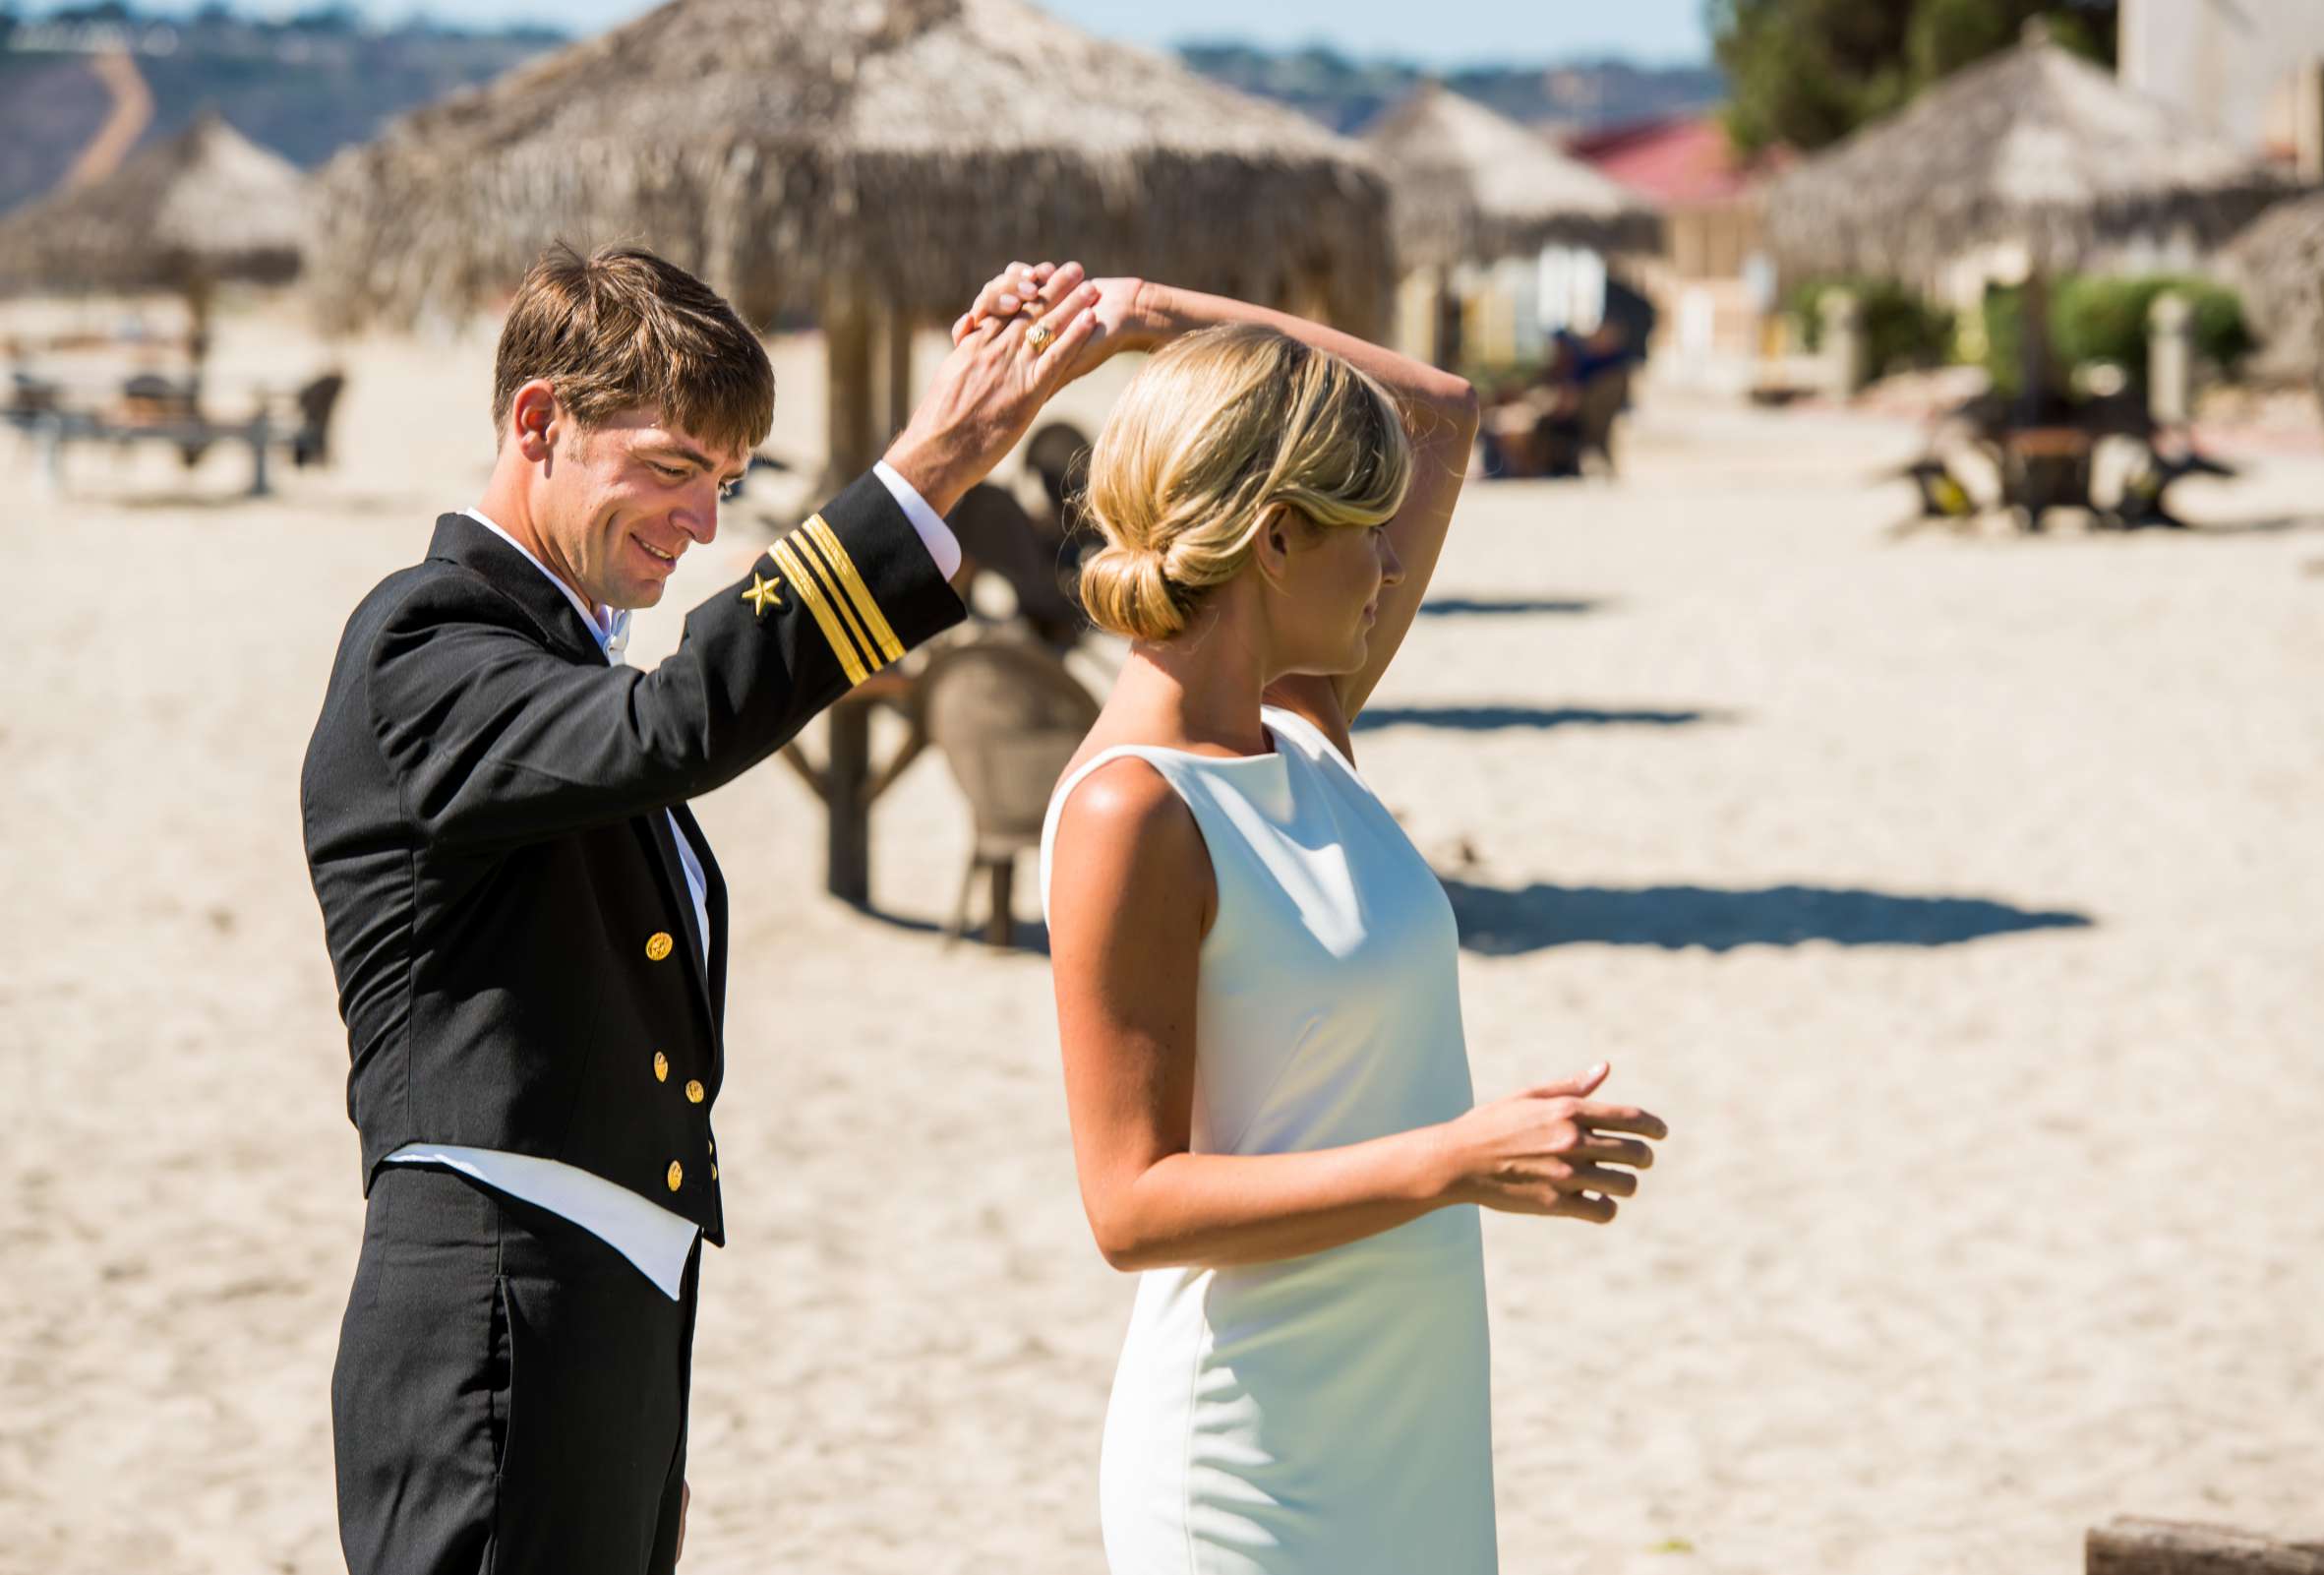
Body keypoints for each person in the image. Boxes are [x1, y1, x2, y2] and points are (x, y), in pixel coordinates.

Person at [301, 242, 1101, 1574]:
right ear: (537, 421)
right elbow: (676, 723)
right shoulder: (425, 639)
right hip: (498, 1307)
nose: (702, 520)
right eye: (674, 467)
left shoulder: (548, 661)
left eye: (725, 486)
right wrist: (938, 461)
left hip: (595, 1312)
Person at [1028, 284, 1671, 1573]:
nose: (1388, 563)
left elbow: (1441, 411)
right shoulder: (1130, 809)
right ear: (1273, 539)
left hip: (1414, 1434)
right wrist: (1455, 1158)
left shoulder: (1304, 733)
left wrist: (1148, 315)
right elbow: (1131, 1206)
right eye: (1361, 532)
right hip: (1254, 1468)